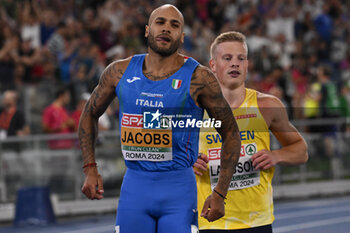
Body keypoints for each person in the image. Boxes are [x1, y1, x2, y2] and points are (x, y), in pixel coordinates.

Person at [78, 4, 241, 233]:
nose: (166, 28)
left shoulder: (199, 78)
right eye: (160, 22)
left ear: (181, 36)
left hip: (178, 192)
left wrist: (220, 192)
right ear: (147, 30)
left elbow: (232, 133)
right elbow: (89, 114)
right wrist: (89, 167)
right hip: (135, 188)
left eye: (174, 25)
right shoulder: (118, 72)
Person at [193, 31, 308, 233]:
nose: (235, 64)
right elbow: (165, 151)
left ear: (247, 65)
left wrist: (277, 155)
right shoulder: (195, 109)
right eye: (227, 58)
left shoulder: (267, 106)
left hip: (256, 221)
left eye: (241, 58)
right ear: (213, 65)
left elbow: (301, 150)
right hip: (210, 220)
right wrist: (187, 160)